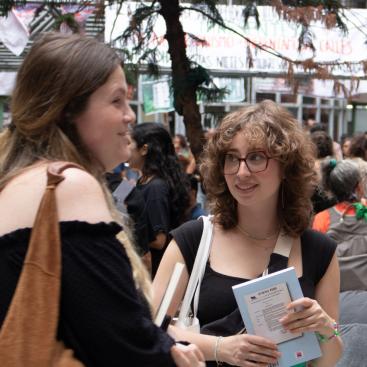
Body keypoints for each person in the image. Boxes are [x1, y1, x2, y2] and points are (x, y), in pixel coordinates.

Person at [0, 32, 205, 367]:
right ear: (67, 111)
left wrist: (163, 343)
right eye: (116, 101)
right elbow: (119, 340)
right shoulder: (67, 184)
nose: (130, 116)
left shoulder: (17, 182)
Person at [153, 100, 343, 366]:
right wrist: (220, 348)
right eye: (232, 158)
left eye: (256, 157)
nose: (241, 172)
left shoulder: (319, 251)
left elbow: (326, 362)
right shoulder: (193, 240)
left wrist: (324, 328)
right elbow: (150, 329)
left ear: (287, 167)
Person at [129, 123, 191, 277]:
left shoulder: (156, 187)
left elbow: (159, 240)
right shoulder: (142, 180)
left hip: (156, 272)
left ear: (144, 149)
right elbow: (116, 201)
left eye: (129, 144)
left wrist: (126, 235)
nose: (126, 149)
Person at [312, 159, 367, 291]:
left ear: (331, 190)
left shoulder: (322, 218)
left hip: (338, 293)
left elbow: (317, 263)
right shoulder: (364, 209)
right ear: (359, 187)